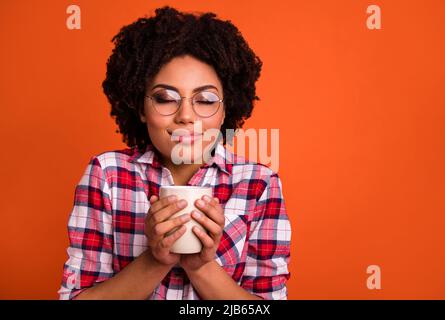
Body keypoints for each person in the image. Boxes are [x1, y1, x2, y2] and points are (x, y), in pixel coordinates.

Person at [58, 5, 291, 300]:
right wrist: (156, 260)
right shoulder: (107, 174)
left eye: (205, 100)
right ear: (141, 108)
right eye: (165, 98)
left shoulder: (260, 184)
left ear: (225, 110)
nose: (186, 116)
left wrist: (201, 267)